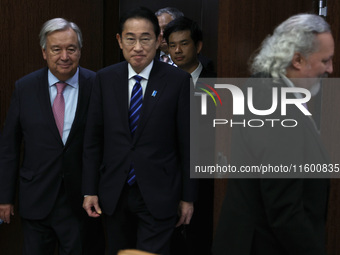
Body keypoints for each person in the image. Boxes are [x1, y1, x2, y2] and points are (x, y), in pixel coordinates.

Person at [212, 14, 334, 255]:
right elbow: (284, 209)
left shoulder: (268, 88)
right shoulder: (275, 104)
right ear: (297, 59)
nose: (330, 68)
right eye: (325, 60)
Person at [82, 7, 197, 255]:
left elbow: (188, 143)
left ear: (158, 41)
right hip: (114, 193)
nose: (138, 47)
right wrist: (90, 189)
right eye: (130, 38)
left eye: (145, 38)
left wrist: (188, 197)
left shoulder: (177, 81)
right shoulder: (104, 79)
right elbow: (93, 139)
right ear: (119, 41)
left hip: (159, 193)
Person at [0, 18, 104, 255]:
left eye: (71, 49)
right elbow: (9, 147)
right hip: (36, 197)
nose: (64, 56)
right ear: (44, 52)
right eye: (56, 49)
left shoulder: (97, 84)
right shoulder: (24, 88)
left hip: (81, 200)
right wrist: (4, 198)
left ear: (80, 50)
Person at [164, 16, 215, 255]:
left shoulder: (218, 77)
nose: (177, 50)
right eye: (172, 45)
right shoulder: (161, 80)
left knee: (201, 239)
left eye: (184, 43)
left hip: (208, 175)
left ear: (198, 46)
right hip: (170, 174)